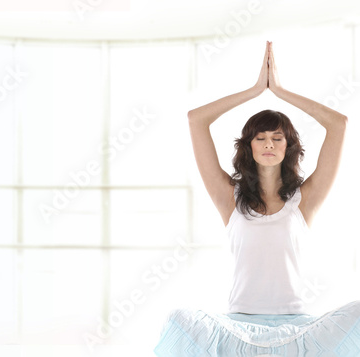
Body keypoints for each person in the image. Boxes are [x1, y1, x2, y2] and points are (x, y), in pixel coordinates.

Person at [154, 42, 360, 356]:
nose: (268, 143)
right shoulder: (230, 198)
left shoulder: (305, 199)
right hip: (238, 328)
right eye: (260, 137)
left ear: (288, 146)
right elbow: (196, 119)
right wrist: (254, 91)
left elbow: (339, 124)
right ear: (248, 145)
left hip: (296, 330)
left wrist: (278, 90)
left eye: (277, 138)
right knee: (179, 320)